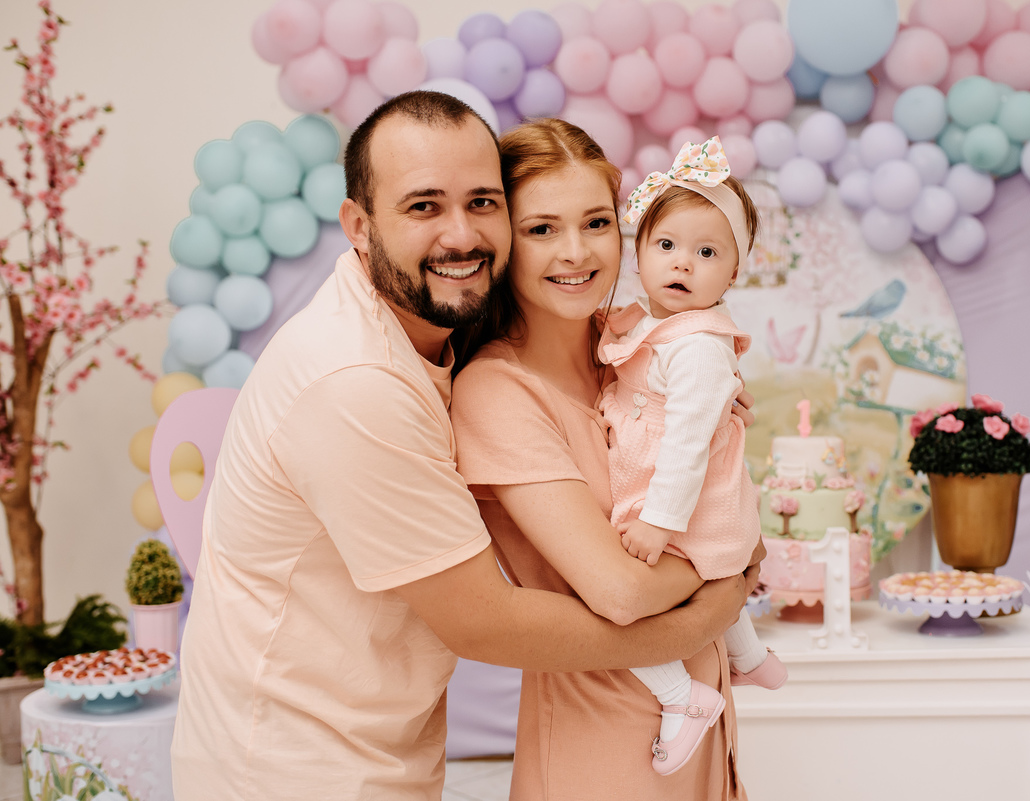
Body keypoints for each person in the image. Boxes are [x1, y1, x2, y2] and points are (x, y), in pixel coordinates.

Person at [170, 92, 751, 801]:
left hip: (397, 738)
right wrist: (722, 593)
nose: (460, 235)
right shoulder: (358, 381)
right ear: (359, 226)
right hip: (297, 764)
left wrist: (704, 415)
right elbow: (499, 616)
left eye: (480, 203)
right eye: (423, 206)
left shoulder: (608, 351)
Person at [451, 118, 758, 799]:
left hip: (703, 723)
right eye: (541, 228)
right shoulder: (497, 392)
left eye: (595, 223)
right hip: (604, 742)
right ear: (502, 243)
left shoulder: (640, 349)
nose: (576, 251)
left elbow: (719, 482)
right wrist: (729, 583)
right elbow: (622, 592)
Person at [599, 136, 788, 775]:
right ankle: (750, 657)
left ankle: (683, 696)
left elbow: (685, 445)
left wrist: (660, 520)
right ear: (639, 252)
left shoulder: (699, 345)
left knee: (623, 607)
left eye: (707, 253)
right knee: (706, 584)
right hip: (673, 499)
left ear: (733, 273)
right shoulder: (653, 323)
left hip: (681, 506)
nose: (683, 263)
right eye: (666, 245)